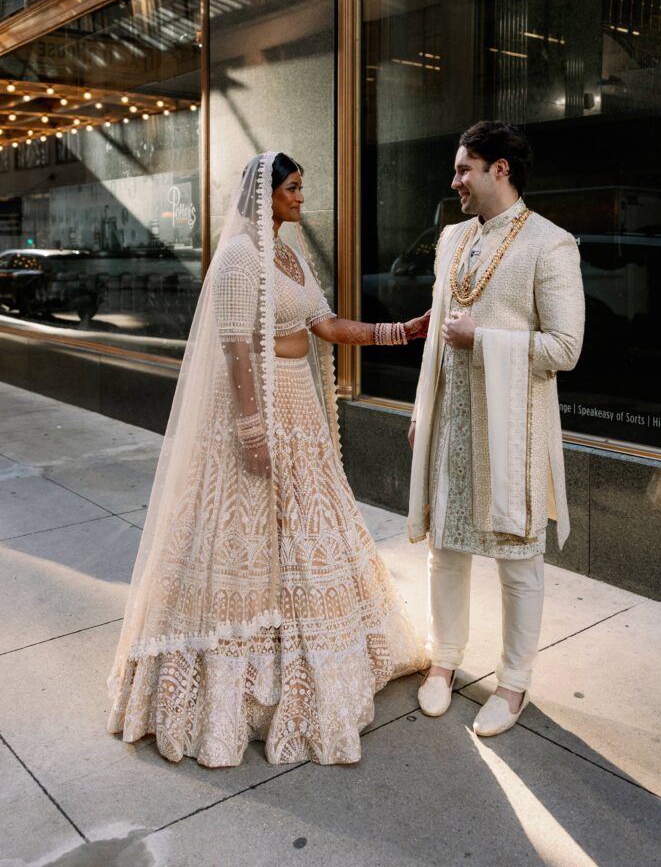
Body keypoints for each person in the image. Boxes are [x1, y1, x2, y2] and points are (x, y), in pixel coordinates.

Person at [108, 151, 428, 767]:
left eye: (302, 188)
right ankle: (243, 685)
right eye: (292, 188)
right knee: (249, 533)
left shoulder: (291, 254)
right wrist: (252, 430)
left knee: (308, 528)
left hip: (301, 405)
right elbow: (233, 351)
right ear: (265, 193)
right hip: (258, 410)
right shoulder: (236, 259)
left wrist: (401, 332)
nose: (300, 198)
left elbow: (325, 325)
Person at [408, 121, 585, 736]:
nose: (454, 180)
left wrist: (483, 340)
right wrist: (420, 410)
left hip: (513, 433)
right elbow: (436, 333)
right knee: (445, 551)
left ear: (500, 169)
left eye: (464, 169)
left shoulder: (551, 244)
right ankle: (444, 662)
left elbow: (566, 347)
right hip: (452, 424)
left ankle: (513, 683)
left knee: (517, 561)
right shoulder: (451, 239)